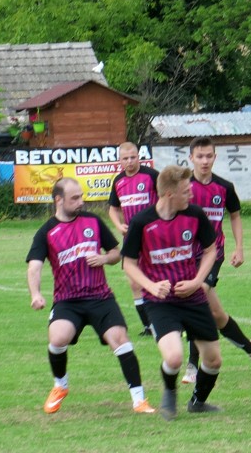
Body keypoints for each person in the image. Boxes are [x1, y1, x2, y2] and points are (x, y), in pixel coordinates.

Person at [26, 177, 155, 415]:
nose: (81, 202)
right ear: (58, 200)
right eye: (74, 198)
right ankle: (60, 386)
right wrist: (35, 294)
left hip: (100, 297)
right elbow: (34, 266)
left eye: (81, 196)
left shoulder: (93, 221)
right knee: (57, 339)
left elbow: (116, 253)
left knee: (121, 340)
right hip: (68, 301)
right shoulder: (46, 231)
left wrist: (105, 259)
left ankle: (139, 400)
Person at [121, 165, 222, 420]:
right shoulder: (142, 222)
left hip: (194, 298)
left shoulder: (195, 215)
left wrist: (198, 280)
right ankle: (169, 391)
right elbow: (128, 264)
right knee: (175, 357)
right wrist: (151, 286)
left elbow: (211, 250)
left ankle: (198, 402)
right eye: (186, 191)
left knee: (213, 361)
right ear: (168, 194)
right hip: (160, 302)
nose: (191, 195)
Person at [181, 136, 251, 385]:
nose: (205, 161)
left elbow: (235, 216)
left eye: (209, 156)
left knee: (196, 296)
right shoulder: (184, 187)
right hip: (186, 257)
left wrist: (239, 248)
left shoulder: (224, 187)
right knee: (217, 315)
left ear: (215, 157)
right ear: (191, 159)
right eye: (200, 156)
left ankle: (191, 366)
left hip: (213, 254)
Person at [108, 141, 159, 336]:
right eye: (125, 159)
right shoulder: (118, 181)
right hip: (132, 238)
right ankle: (149, 326)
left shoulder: (152, 176)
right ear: (120, 161)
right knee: (134, 282)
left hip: (154, 237)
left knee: (158, 277)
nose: (129, 162)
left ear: (139, 157)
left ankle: (169, 320)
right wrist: (119, 224)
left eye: (133, 157)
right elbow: (113, 209)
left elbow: (165, 199)